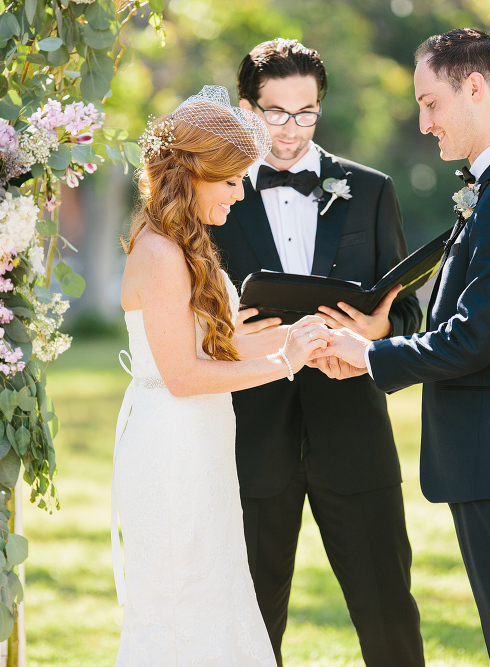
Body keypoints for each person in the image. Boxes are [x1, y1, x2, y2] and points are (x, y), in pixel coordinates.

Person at [320, 29, 490, 667]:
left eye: (432, 102)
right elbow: (475, 321)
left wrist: (370, 358)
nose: (424, 121)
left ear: (474, 88)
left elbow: (473, 339)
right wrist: (385, 333)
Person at [207, 39, 426, 666]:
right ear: (248, 110)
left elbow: (405, 313)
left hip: (354, 438)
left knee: (389, 617)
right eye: (276, 112)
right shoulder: (213, 199)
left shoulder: (373, 191)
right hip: (250, 442)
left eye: (306, 113)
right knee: (249, 628)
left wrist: (372, 336)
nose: (292, 130)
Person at [111, 85, 333, 666]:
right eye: (232, 179)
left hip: (200, 439)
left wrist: (303, 337)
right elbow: (183, 374)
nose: (241, 191)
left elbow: (218, 344)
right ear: (195, 175)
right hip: (170, 444)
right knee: (183, 597)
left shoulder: (187, 245)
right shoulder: (160, 253)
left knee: (214, 584)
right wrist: (283, 364)